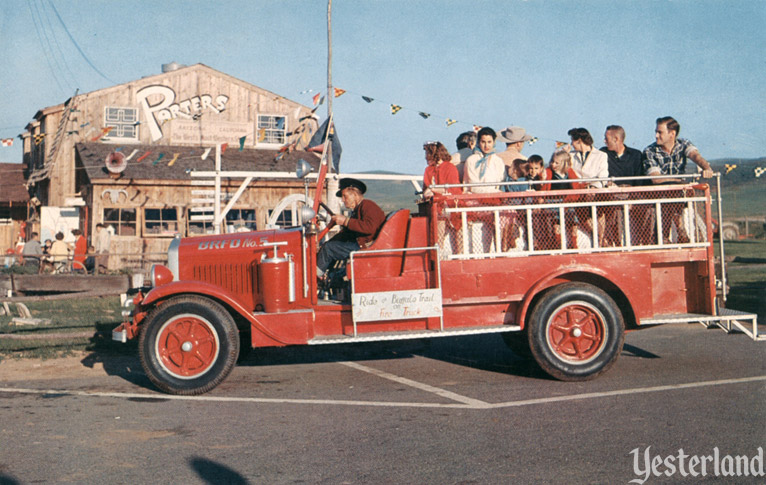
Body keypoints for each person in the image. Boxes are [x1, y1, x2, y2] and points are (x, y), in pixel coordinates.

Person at [643, 116, 714, 244]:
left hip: (679, 195)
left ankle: (666, 235)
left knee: (677, 195)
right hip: (661, 195)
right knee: (671, 194)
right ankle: (679, 229)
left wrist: (706, 167)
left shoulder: (684, 144)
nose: (656, 136)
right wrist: (682, 183)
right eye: (656, 132)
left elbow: (695, 156)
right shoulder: (650, 151)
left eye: (660, 132)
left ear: (672, 134)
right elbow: (656, 179)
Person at [317, 178, 386, 277]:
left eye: (345, 196)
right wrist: (324, 244)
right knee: (328, 246)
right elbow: (346, 234)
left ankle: (313, 279)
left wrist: (346, 221)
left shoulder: (368, 205)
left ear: (355, 195)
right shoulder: (358, 210)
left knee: (329, 249)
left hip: (364, 246)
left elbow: (370, 227)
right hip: (359, 244)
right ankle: (327, 277)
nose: (343, 200)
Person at [601, 125, 646, 246]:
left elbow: (640, 181)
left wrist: (629, 189)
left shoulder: (636, 155)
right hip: (612, 196)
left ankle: (645, 240)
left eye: (606, 138)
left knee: (648, 208)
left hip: (632, 195)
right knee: (615, 206)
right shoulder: (603, 153)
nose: (604, 141)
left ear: (616, 139)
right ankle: (615, 242)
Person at [464, 127, 505, 193]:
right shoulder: (471, 160)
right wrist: (495, 192)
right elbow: (473, 186)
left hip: (495, 199)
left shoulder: (498, 161)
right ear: (478, 142)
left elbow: (501, 182)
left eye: (489, 142)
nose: (486, 146)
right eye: (483, 142)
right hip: (474, 198)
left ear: (494, 142)